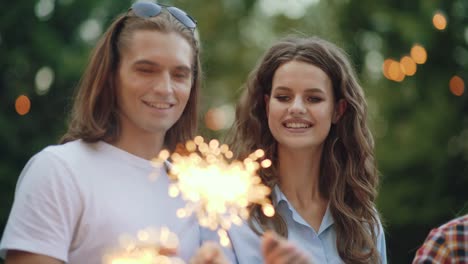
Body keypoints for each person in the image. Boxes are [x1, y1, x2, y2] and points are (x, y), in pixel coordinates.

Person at [0, 2, 207, 263]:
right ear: (111, 75)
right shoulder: (59, 170)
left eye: (179, 75)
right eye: (146, 70)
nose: (165, 88)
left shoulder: (195, 191)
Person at [225, 36, 387, 263]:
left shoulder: (363, 223)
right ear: (266, 104)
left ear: (338, 111)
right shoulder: (232, 215)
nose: (297, 108)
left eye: (313, 98)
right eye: (283, 97)